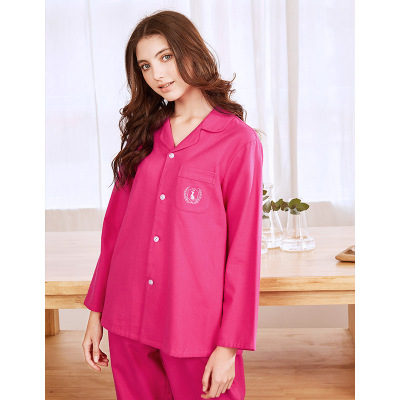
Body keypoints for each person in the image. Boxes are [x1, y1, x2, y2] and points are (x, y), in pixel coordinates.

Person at [82, 9, 264, 400]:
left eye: (166, 57)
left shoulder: (237, 142)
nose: (158, 74)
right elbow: (114, 233)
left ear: (191, 51)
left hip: (193, 324)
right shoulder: (143, 136)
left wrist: (229, 346)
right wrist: (96, 313)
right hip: (128, 315)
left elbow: (243, 251)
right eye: (146, 66)